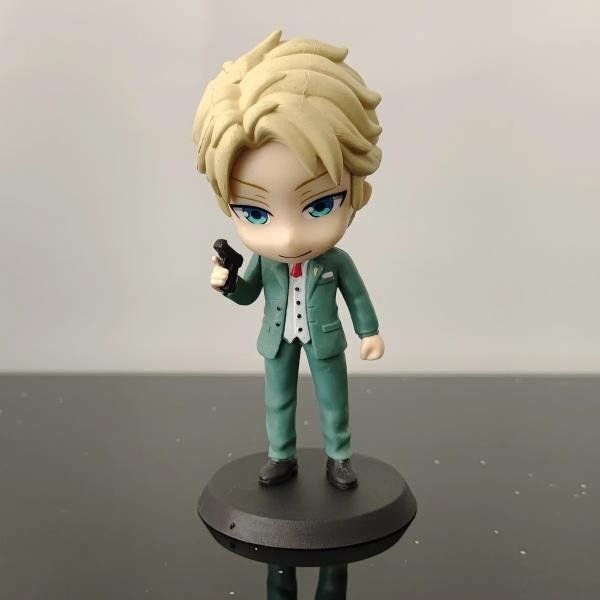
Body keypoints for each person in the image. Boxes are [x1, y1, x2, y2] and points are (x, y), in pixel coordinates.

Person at [193, 29, 384, 490]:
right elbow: (248, 295)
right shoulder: (267, 263)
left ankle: (339, 457)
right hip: (277, 339)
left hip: (325, 339)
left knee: (333, 398)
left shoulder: (336, 262)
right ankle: (281, 455)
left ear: (356, 192)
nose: (289, 236)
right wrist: (228, 281)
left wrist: (370, 332)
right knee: (277, 399)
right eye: (255, 213)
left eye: (320, 205)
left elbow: (357, 296)